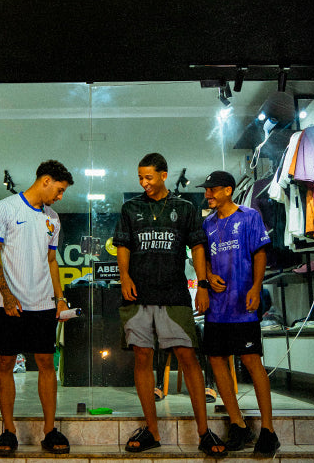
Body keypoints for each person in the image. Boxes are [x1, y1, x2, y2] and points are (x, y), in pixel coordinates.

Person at [116, 153, 214, 454]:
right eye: (140, 178)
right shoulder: (130, 208)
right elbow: (123, 245)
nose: (144, 183)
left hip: (174, 294)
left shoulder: (184, 208)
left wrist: (202, 285)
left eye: (149, 177)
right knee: (142, 357)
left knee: (188, 357)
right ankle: (152, 430)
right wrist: (124, 277)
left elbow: (198, 247)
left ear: (163, 175)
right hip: (138, 295)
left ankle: (204, 432)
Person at [0, 160, 74, 455]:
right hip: (9, 302)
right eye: (59, 190)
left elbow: (51, 260)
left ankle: (50, 430)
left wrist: (60, 298)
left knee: (46, 363)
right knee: (6, 363)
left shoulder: (53, 218)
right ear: (45, 181)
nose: (60, 196)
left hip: (43, 303)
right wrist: (7, 295)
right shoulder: (5, 208)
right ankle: (8, 431)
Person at [196, 171, 281, 456]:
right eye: (206, 190)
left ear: (228, 190)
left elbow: (260, 254)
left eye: (213, 189)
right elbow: (203, 258)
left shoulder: (249, 216)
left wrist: (256, 287)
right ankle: (238, 424)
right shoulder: (207, 223)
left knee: (251, 360)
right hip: (216, 307)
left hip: (243, 304)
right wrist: (208, 277)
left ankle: (268, 430)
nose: (207, 194)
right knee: (216, 360)